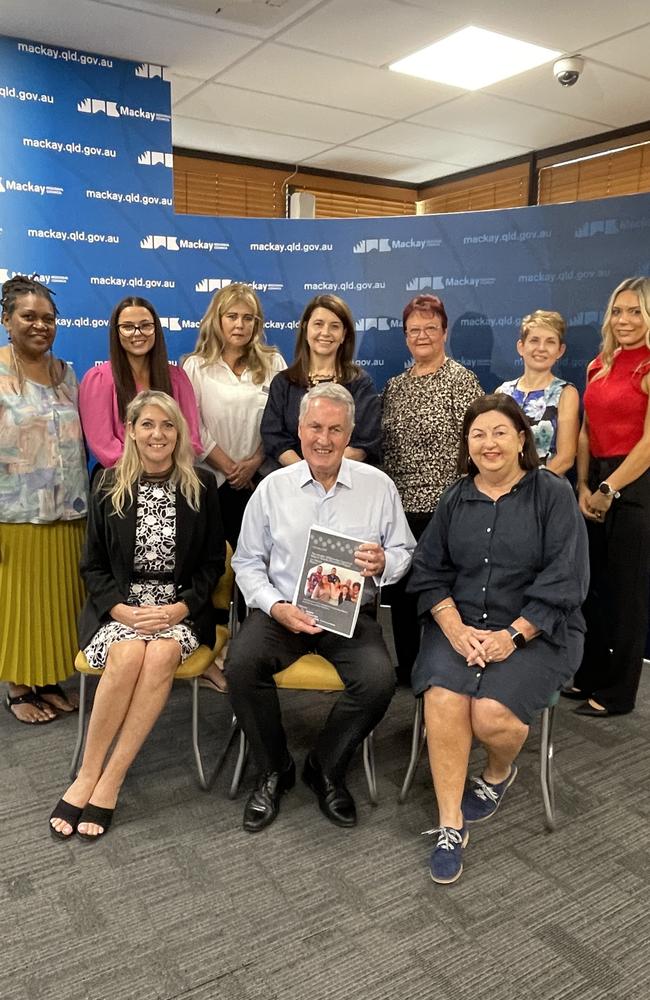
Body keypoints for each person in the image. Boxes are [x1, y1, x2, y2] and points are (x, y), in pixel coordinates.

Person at [408, 394, 588, 884]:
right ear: (467, 446)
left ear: (522, 439)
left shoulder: (550, 493)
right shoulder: (455, 496)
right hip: (460, 625)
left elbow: (567, 581)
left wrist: (513, 634)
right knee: (445, 698)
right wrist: (452, 626)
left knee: (488, 715)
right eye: (478, 435)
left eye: (500, 432)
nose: (489, 444)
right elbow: (427, 572)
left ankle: (496, 774)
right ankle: (449, 824)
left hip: (537, 629)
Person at [225, 383, 414, 833]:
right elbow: (246, 562)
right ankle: (274, 768)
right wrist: (274, 606)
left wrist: (385, 561)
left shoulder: (378, 487)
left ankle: (325, 766)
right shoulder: (273, 488)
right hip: (282, 612)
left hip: (349, 617)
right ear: (299, 429)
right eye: (315, 427)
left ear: (350, 434)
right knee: (240, 666)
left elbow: (405, 550)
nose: (324, 439)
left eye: (335, 429)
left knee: (378, 680)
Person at [49, 391, 225, 841]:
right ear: (131, 431)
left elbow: (211, 565)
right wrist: (123, 610)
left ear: (179, 432)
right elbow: (92, 565)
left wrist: (181, 607)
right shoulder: (107, 483)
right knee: (127, 658)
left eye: (167, 425)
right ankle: (88, 774)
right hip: (121, 605)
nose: (158, 434)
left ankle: (113, 779)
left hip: (180, 606)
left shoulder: (201, 485)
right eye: (147, 424)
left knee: (161, 656)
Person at [381, 294, 483, 684]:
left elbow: (475, 447)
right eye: (413, 330)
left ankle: (445, 668)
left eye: (430, 328)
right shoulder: (393, 387)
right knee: (406, 596)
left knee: (444, 596)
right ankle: (408, 666)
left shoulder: (462, 381)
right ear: (405, 337)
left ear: (444, 332)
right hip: (400, 513)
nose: (421, 336)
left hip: (448, 512)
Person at [1, 274, 88, 723]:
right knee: (21, 602)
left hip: (70, 512)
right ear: (6, 320)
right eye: (29, 317)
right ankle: (19, 686)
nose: (40, 325)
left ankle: (49, 679)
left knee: (59, 605)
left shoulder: (68, 375)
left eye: (48, 318)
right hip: (15, 517)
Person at [567, 277, 650, 717]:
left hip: (636, 484)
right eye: (618, 311)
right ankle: (592, 675)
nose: (624, 320)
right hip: (596, 479)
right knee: (592, 589)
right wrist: (584, 485)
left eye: (636, 311)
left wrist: (608, 488)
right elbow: (585, 430)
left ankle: (618, 693)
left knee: (626, 597)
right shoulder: (600, 364)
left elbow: (649, 444)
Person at [182, 282, 286, 548]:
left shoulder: (274, 363)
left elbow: (282, 421)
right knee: (218, 568)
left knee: (261, 564)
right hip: (212, 483)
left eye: (247, 318)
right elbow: (194, 428)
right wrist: (231, 469)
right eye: (232, 316)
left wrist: (254, 463)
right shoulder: (196, 366)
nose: (239, 325)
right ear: (217, 320)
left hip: (261, 481)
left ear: (256, 323)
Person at [79, 296, 202, 469]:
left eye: (145, 326)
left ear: (156, 329)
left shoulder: (177, 378)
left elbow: (191, 437)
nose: (138, 333)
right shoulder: (98, 379)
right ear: (116, 332)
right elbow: (102, 444)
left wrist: (165, 471)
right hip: (121, 480)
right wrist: (147, 471)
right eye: (128, 327)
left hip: (173, 477)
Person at [260, 294, 381, 468]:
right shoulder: (283, 383)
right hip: (292, 483)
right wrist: (306, 474)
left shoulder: (360, 383)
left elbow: (364, 442)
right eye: (318, 324)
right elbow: (274, 437)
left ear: (344, 334)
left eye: (334, 326)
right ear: (305, 329)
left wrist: (326, 472)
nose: (325, 332)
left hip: (345, 483)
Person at [496, 309, 579, 473]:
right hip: (502, 490)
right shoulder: (502, 393)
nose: (541, 348)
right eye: (534, 340)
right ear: (521, 347)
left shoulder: (565, 393)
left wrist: (527, 488)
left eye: (550, 342)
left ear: (560, 351)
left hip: (546, 491)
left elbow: (566, 458)